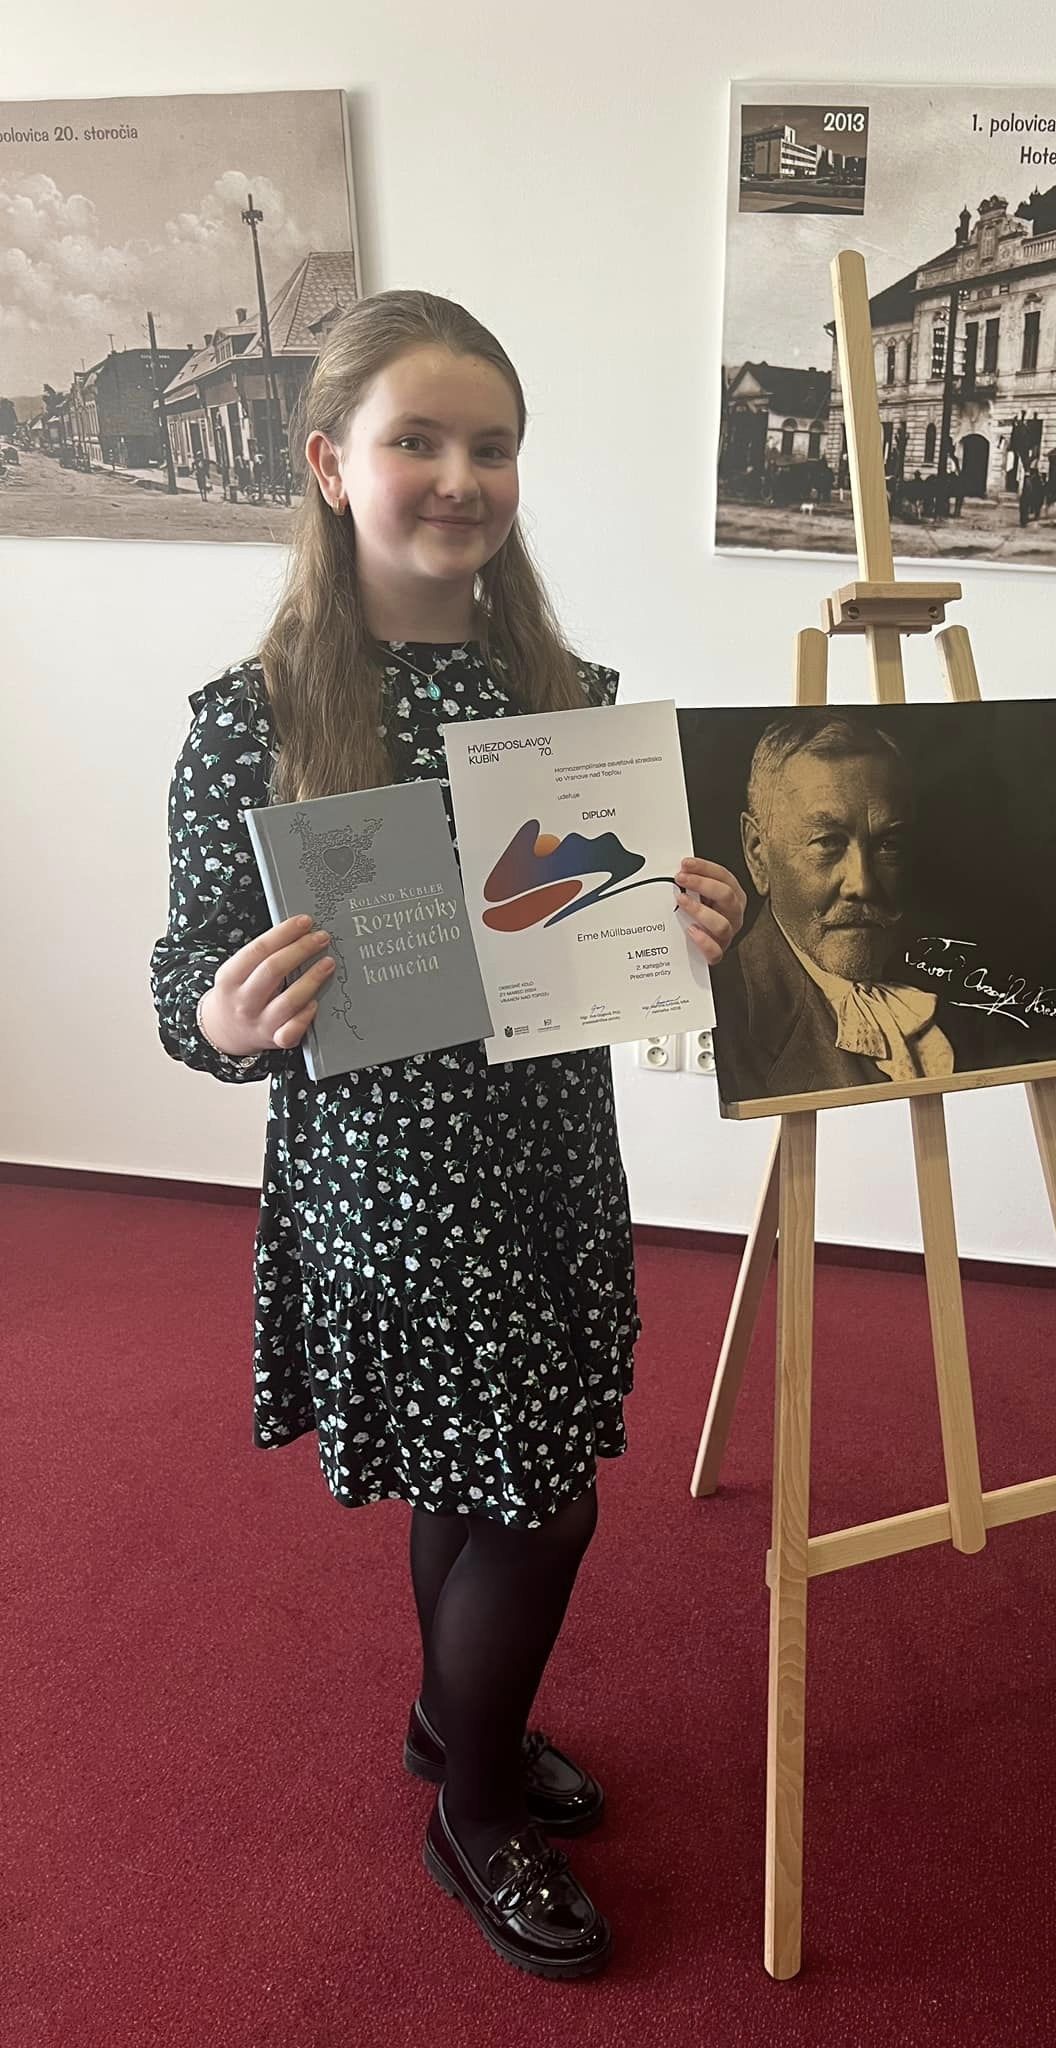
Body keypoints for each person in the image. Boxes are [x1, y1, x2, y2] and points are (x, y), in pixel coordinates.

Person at [148, 291, 746, 1981]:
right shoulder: (254, 715)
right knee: (542, 1501)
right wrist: (226, 1015)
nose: (461, 476)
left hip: (545, 1153)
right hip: (392, 1184)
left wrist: (697, 918)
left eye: (492, 445)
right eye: (417, 439)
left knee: (484, 1475)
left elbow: (615, 916)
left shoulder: (564, 696)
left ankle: (448, 1717)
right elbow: (187, 975)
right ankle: (474, 1807)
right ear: (330, 463)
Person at [710, 713, 1015, 1103]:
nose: (863, 884)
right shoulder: (721, 1019)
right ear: (757, 853)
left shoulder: (962, 1006)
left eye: (887, 845)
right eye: (827, 842)